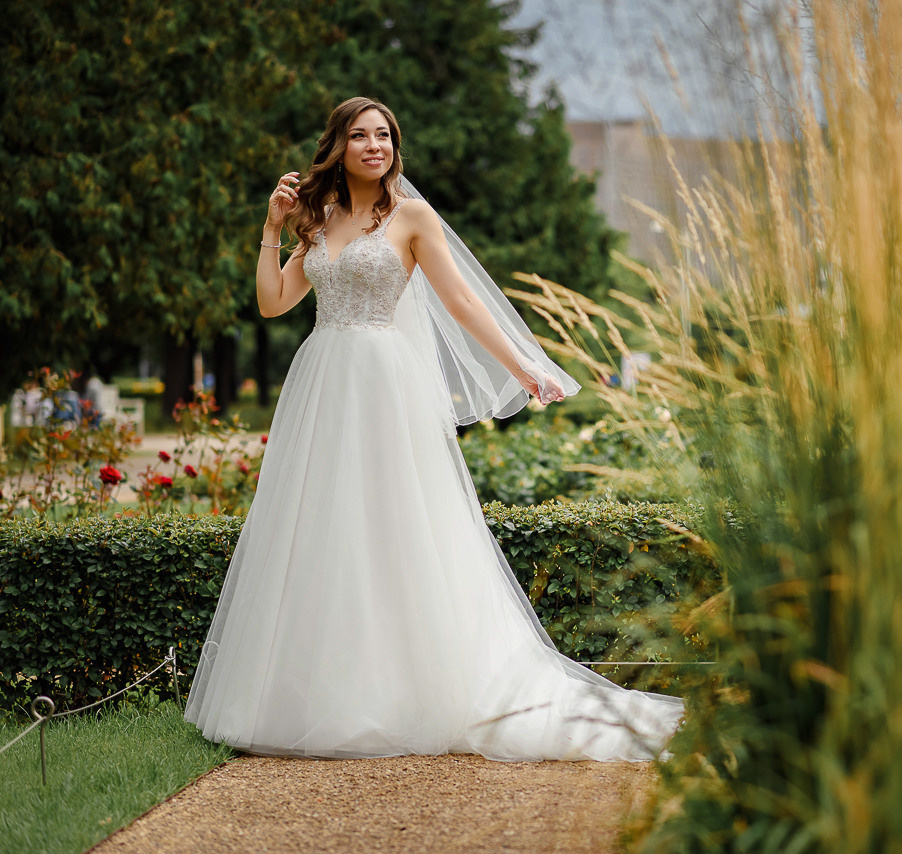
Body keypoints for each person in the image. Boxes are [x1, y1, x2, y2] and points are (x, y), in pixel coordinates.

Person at [183, 97, 684, 761]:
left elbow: (461, 300)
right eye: (359, 135)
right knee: (324, 527)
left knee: (396, 528)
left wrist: (527, 366)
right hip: (324, 382)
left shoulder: (413, 217)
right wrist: (273, 226)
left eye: (383, 135)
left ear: (395, 145)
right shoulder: (321, 218)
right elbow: (274, 302)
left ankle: (414, 693)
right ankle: (313, 695)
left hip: (385, 385)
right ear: (337, 145)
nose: (373, 146)